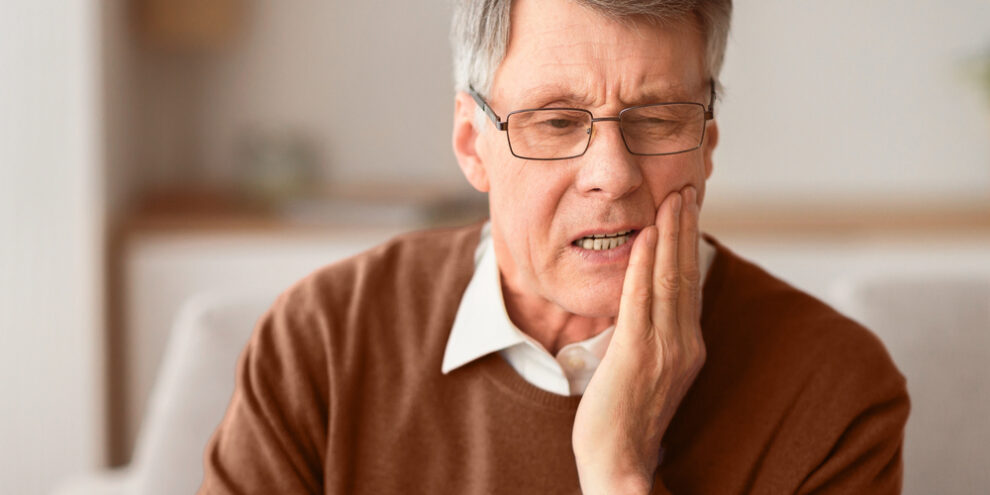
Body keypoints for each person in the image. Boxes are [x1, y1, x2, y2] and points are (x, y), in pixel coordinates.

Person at [199, 0, 909, 493]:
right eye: (557, 121)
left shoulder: (836, 391)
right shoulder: (320, 341)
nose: (611, 175)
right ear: (471, 144)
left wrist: (619, 472)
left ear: (707, 145)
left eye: (658, 118)